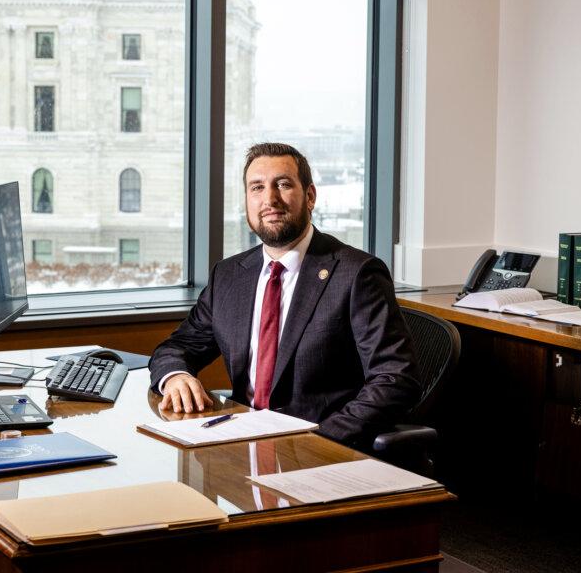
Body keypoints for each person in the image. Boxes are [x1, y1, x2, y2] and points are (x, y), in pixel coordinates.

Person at [149, 142, 420, 448]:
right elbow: (178, 347)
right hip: (242, 443)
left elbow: (395, 379)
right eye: (257, 187)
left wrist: (318, 442)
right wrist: (175, 375)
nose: (270, 199)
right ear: (246, 201)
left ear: (310, 196)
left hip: (318, 448)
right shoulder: (229, 275)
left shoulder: (356, 274)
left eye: (283, 184)